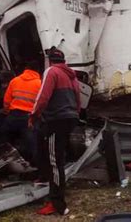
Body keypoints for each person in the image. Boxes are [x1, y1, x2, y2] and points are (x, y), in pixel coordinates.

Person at [29, 47, 81, 216]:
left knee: (54, 161)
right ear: (63, 60)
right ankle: (53, 192)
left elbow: (43, 97)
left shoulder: (51, 71)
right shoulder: (71, 75)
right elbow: (79, 99)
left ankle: (57, 204)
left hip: (56, 120)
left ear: (50, 61)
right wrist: (74, 114)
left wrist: (34, 115)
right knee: (56, 157)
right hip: (70, 118)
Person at [2, 60, 41, 164]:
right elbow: (42, 102)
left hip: (13, 116)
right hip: (29, 119)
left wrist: (6, 112)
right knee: (32, 144)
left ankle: (6, 160)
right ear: (37, 71)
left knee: (6, 139)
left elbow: (6, 101)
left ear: (26, 70)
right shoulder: (39, 84)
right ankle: (33, 165)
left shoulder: (15, 81)